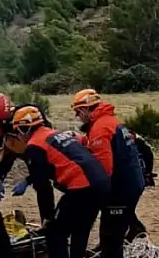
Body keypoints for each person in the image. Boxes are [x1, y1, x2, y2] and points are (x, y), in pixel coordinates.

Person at [13, 105, 110, 258]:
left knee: (55, 232)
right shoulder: (53, 134)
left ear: (24, 129)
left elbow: (43, 187)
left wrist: (47, 217)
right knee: (80, 229)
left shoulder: (34, 146)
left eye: (17, 131)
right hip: (101, 182)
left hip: (82, 187)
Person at [70, 90, 145, 258]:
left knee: (111, 238)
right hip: (131, 181)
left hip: (121, 187)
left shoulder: (100, 129)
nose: (77, 117)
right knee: (113, 233)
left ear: (85, 109)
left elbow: (103, 170)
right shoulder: (111, 121)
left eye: (78, 112)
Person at [0, 103, 50, 199]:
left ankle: (47, 213)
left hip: (30, 149)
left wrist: (28, 181)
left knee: (41, 181)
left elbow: (41, 167)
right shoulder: (0, 125)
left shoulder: (33, 118)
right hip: (11, 149)